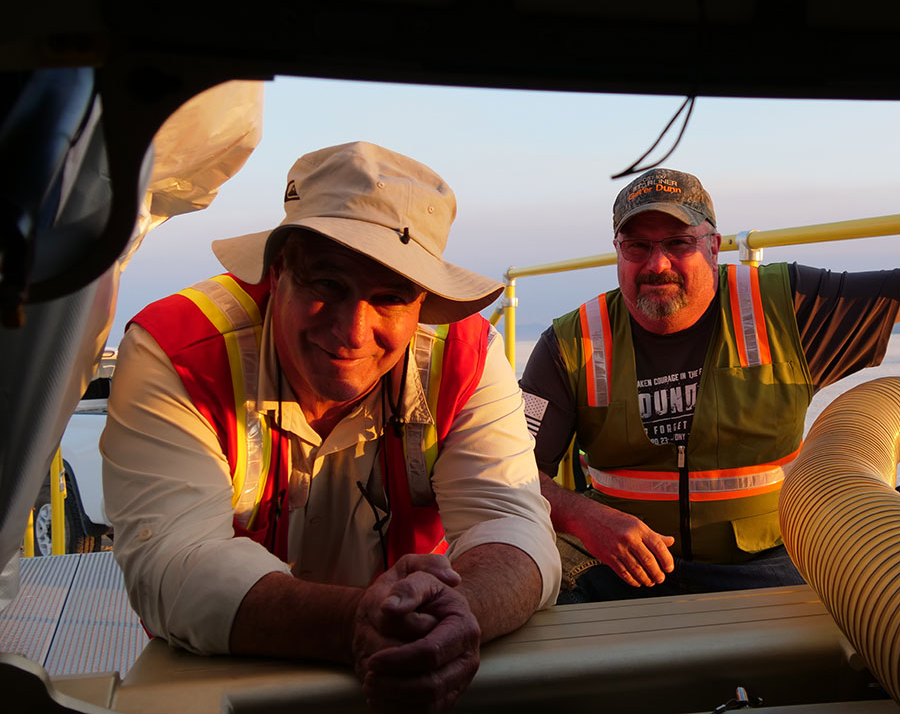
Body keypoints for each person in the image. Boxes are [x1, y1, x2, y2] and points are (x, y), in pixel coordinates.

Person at [519, 167, 900, 603]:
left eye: (678, 244)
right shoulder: (572, 341)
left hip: (766, 564)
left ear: (714, 246)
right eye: (637, 246)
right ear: (618, 251)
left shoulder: (784, 304)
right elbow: (505, 471)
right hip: (615, 568)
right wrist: (578, 516)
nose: (657, 264)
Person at [102, 142, 559, 712]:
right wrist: (359, 624)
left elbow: (510, 521)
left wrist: (463, 613)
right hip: (228, 680)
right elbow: (170, 560)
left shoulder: (467, 356)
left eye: (390, 297)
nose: (352, 330)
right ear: (277, 271)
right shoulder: (178, 351)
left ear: (424, 304)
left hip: (412, 674)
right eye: (328, 285)